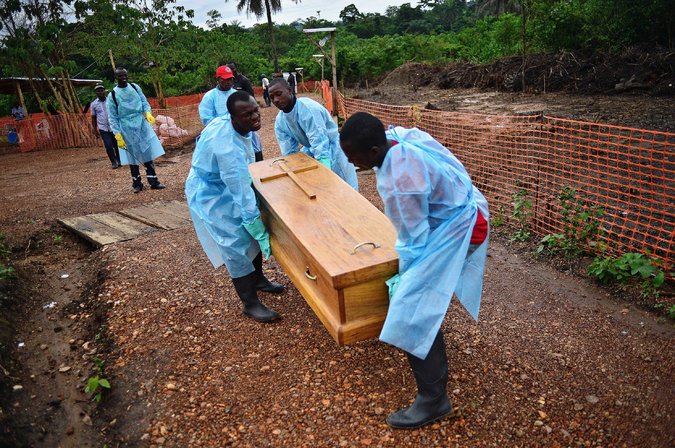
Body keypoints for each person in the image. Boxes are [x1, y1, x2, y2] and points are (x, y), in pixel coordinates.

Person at [339, 112, 489, 430]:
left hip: (461, 227)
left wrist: (405, 280)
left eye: (354, 157)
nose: (352, 163)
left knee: (413, 308)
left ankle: (433, 400)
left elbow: (413, 239)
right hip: (463, 208)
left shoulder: (400, 182)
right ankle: (427, 338)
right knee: (418, 298)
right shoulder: (397, 138)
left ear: (375, 152)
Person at [185, 91, 284, 322]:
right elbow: (240, 189)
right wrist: (255, 224)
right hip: (211, 192)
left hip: (225, 181)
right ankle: (250, 303)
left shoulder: (231, 124)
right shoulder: (227, 149)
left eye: (255, 110)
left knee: (249, 236)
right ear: (233, 117)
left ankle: (258, 279)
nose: (254, 117)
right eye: (247, 115)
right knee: (234, 244)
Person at [267, 78, 358, 190]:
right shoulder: (280, 122)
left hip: (333, 148)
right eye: (272, 98)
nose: (276, 100)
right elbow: (290, 153)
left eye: (279, 94)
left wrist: (325, 172)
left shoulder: (308, 110)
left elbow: (320, 143)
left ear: (290, 90)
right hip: (311, 149)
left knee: (346, 190)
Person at [107, 67, 166, 193]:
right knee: (132, 155)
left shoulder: (134, 87)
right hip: (126, 126)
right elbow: (112, 117)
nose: (123, 78)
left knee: (147, 151)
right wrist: (117, 134)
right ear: (116, 78)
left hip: (140, 123)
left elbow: (144, 102)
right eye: (120, 76)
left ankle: (154, 181)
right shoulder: (112, 95)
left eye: (125, 75)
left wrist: (148, 113)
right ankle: (137, 184)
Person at [201, 65, 264, 162]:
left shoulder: (237, 94)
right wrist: (226, 127)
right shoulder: (210, 97)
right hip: (222, 135)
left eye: (230, 79)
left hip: (242, 130)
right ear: (218, 79)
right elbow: (207, 119)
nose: (229, 82)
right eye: (225, 79)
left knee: (251, 154)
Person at [90, 85, 121, 169]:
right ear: (96, 93)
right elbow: (93, 117)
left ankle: (119, 159)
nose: (100, 92)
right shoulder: (93, 104)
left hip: (113, 126)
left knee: (117, 144)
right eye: (98, 91)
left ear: (104, 91)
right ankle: (113, 162)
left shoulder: (111, 101)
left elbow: (117, 112)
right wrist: (94, 128)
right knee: (108, 145)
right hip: (103, 128)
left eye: (101, 90)